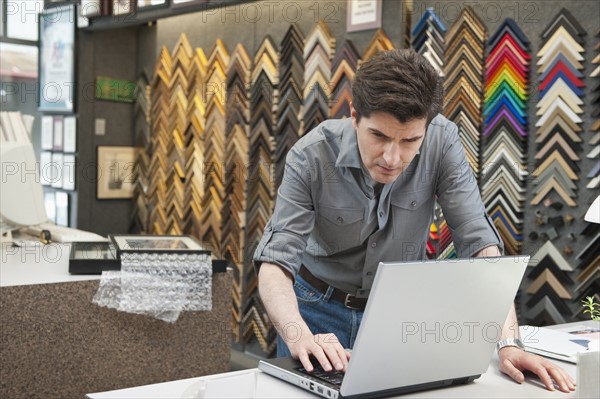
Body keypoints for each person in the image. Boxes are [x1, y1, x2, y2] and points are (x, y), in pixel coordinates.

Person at [253, 49, 575, 393]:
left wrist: (509, 342)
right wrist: (297, 333)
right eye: (379, 136)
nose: (393, 157)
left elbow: (479, 241)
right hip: (314, 310)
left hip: (396, 314)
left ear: (427, 126)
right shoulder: (311, 155)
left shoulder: (443, 141)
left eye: (409, 141)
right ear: (354, 115)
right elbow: (276, 261)